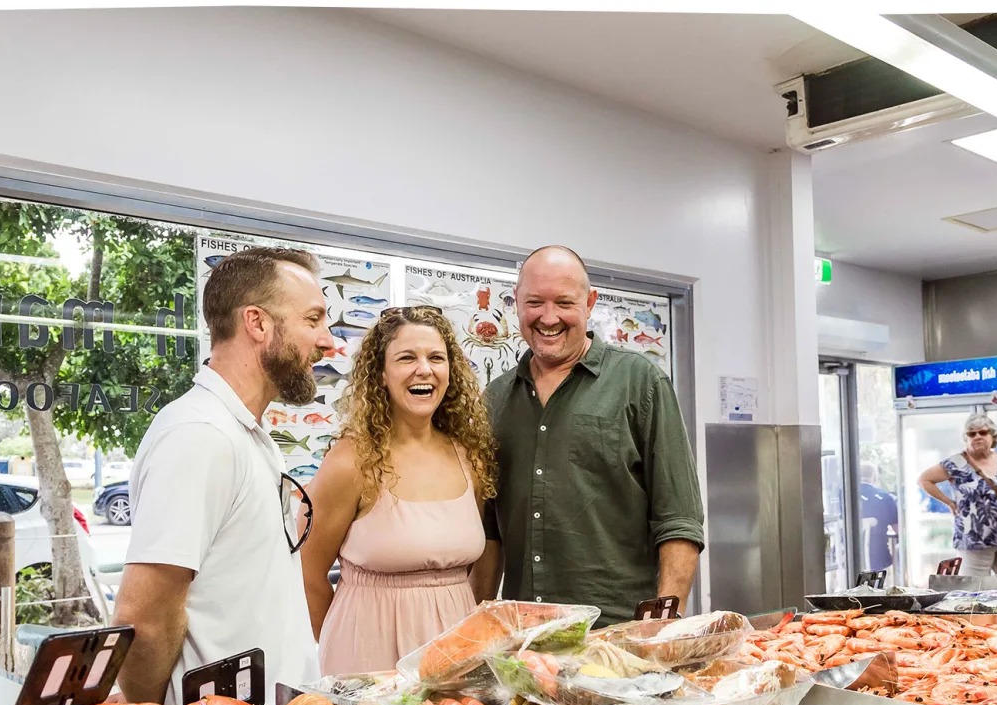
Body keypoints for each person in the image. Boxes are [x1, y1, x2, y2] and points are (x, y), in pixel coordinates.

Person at [112, 247, 334, 705]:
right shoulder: (199, 435)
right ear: (257, 323)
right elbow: (145, 616)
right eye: (313, 320)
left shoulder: (245, 433)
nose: (329, 341)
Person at [479, 245, 704, 627]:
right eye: (534, 302)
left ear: (590, 303)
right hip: (523, 638)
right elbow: (488, 533)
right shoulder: (496, 399)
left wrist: (660, 627)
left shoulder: (640, 383)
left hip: (617, 633)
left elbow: (678, 520)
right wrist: (476, 627)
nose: (548, 317)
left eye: (564, 302)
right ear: (516, 302)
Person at [300, 307, 496, 675]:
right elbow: (307, 574)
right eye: (407, 358)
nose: (424, 369)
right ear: (381, 375)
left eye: (436, 358)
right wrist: (345, 646)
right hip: (368, 659)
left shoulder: (470, 458)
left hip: (457, 660)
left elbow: (479, 561)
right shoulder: (350, 462)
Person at [916, 414, 997, 576]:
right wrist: (949, 503)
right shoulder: (956, 463)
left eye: (983, 433)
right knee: (974, 589)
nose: (977, 437)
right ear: (965, 438)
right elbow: (925, 480)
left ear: (993, 436)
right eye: (972, 434)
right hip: (973, 538)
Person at [858, 463, 899, 574]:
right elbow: (898, 530)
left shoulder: (843, 495)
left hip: (845, 555)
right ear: (875, 477)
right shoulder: (884, 497)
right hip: (877, 556)